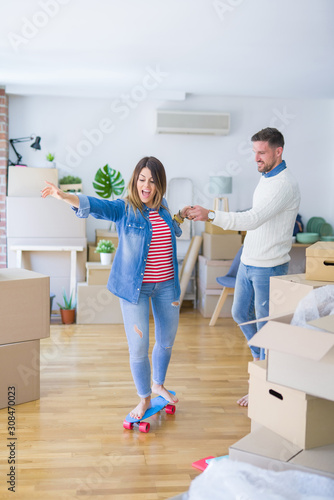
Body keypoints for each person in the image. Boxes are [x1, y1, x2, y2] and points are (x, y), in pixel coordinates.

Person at [41, 156, 188, 419]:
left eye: (152, 182)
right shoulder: (124, 208)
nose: (146, 186)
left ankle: (158, 385)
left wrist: (179, 216)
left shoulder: (163, 206)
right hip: (136, 290)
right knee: (139, 347)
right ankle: (144, 399)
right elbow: (97, 206)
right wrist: (64, 196)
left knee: (166, 342)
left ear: (160, 185)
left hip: (167, 286)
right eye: (142, 180)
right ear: (135, 180)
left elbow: (170, 230)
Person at [184, 127, 301, 407]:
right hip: (250, 261)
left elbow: (253, 219)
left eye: (262, 152)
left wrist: (210, 214)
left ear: (278, 151)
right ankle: (260, 361)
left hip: (269, 267)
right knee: (239, 313)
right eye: (254, 153)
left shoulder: (284, 184)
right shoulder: (266, 178)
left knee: (266, 327)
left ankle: (264, 385)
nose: (256, 158)